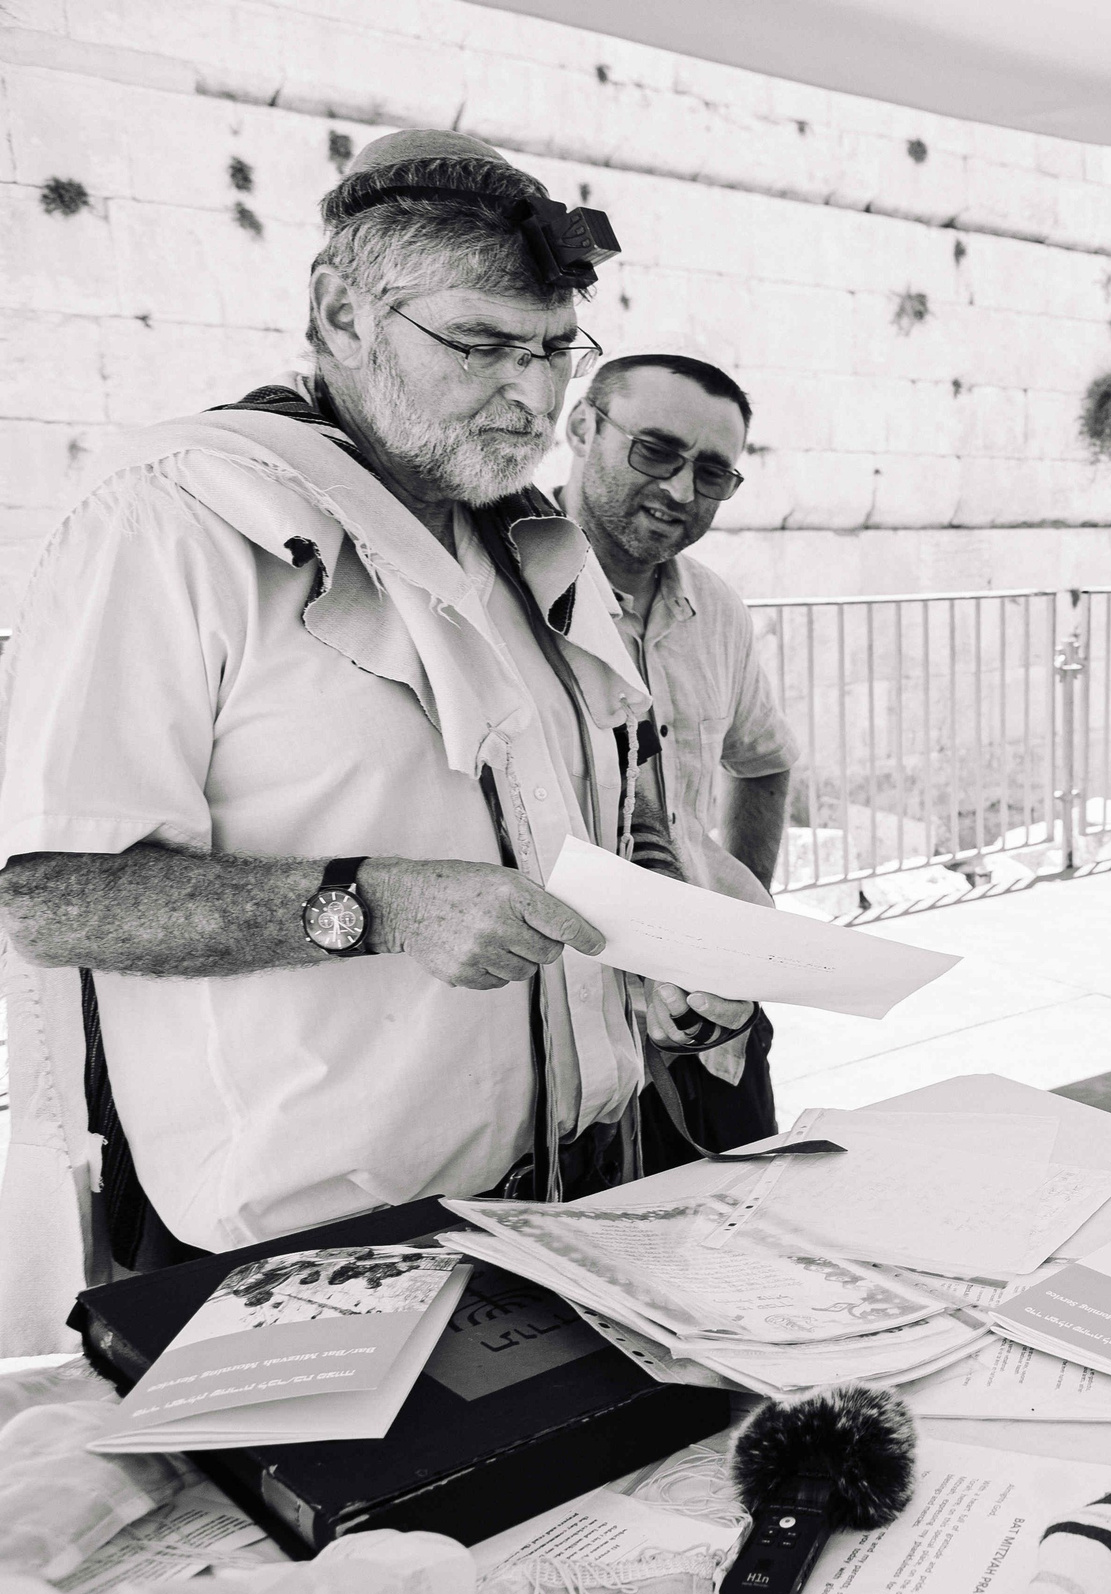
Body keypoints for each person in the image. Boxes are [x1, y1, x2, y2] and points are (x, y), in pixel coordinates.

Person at [0, 130, 749, 1276]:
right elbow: (52, 901)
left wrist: (682, 928)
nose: (534, 395)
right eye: (484, 344)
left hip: (582, 1186)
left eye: (556, 351)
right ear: (342, 315)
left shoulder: (529, 539)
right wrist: (375, 907)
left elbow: (586, 816)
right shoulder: (167, 523)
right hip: (318, 1249)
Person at [562, 353, 795, 1157]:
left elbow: (763, 761)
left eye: (712, 473)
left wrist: (738, 913)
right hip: (569, 1044)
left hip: (712, 1026)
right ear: (581, 427)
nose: (679, 491)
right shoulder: (501, 595)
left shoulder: (715, 607)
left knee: (739, 1250)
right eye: (655, 452)